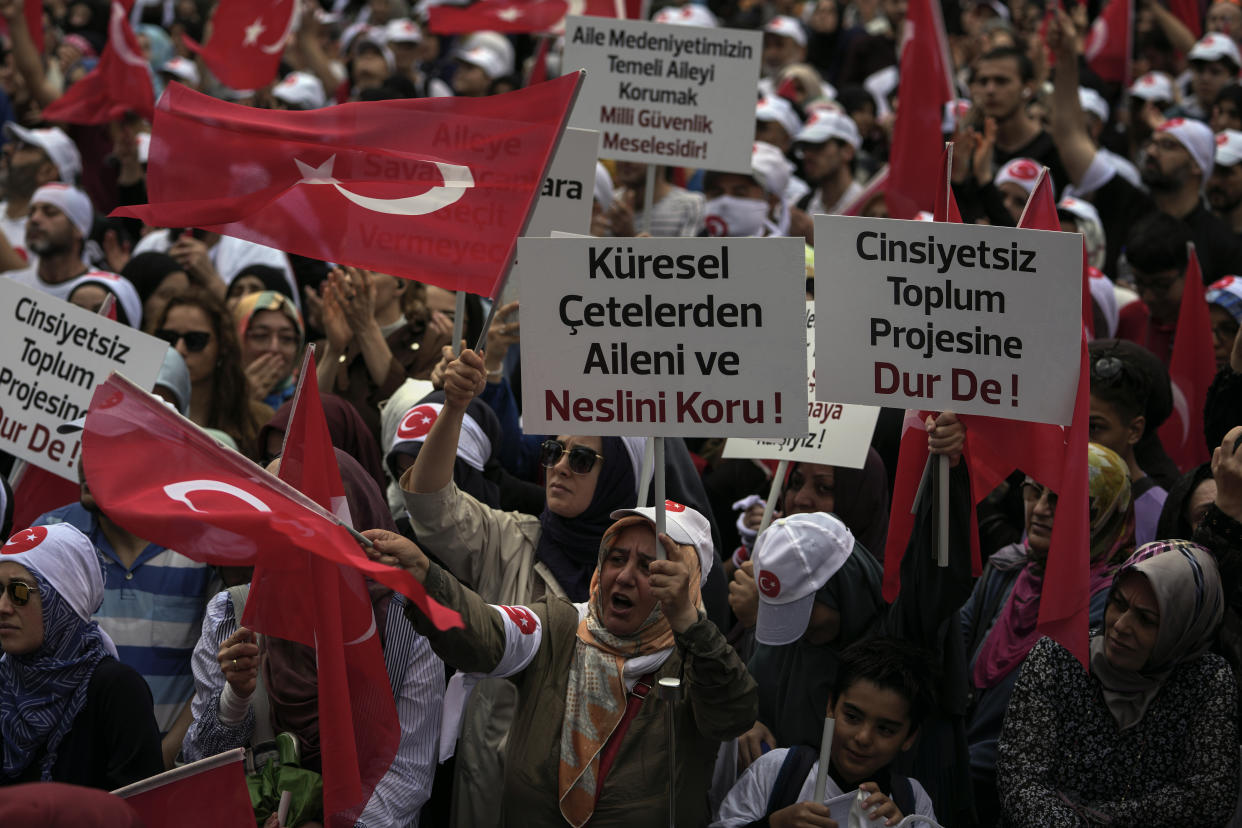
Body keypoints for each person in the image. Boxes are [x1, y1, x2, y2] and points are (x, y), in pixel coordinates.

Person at [368, 503, 757, 827]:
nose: (623, 576)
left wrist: (688, 624)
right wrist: (425, 577)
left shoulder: (702, 662)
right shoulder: (561, 626)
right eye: (616, 558)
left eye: (649, 568)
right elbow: (485, 630)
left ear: (685, 585)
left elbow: (732, 714)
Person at [181, 451, 444, 827]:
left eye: (295, 511)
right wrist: (234, 699)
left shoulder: (408, 626)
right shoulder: (232, 615)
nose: (278, 528)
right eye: (268, 509)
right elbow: (200, 765)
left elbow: (408, 777)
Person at [996, 543, 1238, 825]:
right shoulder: (1060, 655)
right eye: (1119, 604)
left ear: (1183, 630)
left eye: (1146, 620)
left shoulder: (1206, 681)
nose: (1121, 626)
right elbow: (1020, 776)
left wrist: (1103, 819)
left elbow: (1209, 798)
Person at [961, 442, 1136, 825]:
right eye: (1033, 491)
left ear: (1102, 516)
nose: (1039, 510)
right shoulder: (1008, 569)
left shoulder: (1112, 608)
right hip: (964, 775)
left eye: (1061, 499)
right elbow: (955, 648)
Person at [0, 523, 163, 788]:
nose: (3, 607)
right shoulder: (4, 681)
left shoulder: (115, 690)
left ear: (63, 601)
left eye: (19, 592)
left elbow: (140, 808)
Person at [712, 639, 939, 827]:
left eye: (885, 729)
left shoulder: (912, 802)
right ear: (831, 706)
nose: (863, 738)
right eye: (852, 717)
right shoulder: (776, 771)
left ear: (909, 737)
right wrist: (773, 824)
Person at [152, 287, 272, 460]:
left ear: (223, 345)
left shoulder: (258, 421)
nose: (179, 350)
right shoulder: (138, 410)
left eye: (195, 341)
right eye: (169, 338)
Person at [234, 290, 304, 410]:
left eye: (286, 338)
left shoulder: (307, 398)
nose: (274, 348)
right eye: (260, 336)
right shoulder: (210, 394)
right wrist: (241, 402)